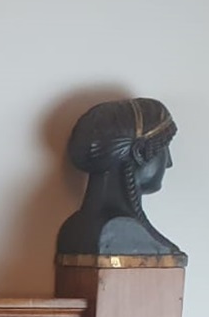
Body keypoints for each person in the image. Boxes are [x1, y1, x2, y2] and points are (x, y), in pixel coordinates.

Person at [56, 97, 183, 257]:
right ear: (139, 152)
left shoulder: (74, 229)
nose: (169, 163)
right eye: (163, 148)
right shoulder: (120, 230)